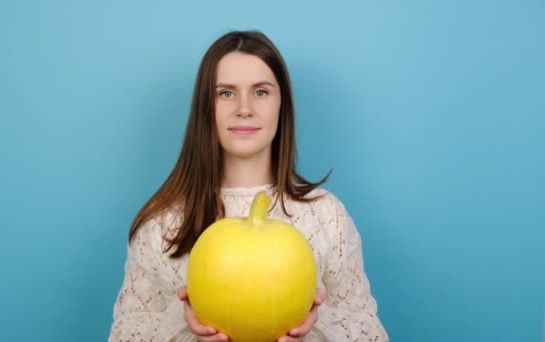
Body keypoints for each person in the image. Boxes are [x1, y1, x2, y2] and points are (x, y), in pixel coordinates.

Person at [108, 30, 388, 342]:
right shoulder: (161, 223)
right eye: (226, 93)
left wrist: (312, 328)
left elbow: (370, 332)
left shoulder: (327, 216)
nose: (244, 108)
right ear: (206, 107)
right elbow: (124, 334)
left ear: (281, 104)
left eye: (261, 92)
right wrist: (188, 330)